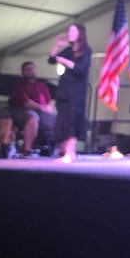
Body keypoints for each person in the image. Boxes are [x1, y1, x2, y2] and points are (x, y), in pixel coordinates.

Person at [48, 23, 92, 163]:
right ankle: (67, 152)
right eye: (69, 31)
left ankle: (70, 151)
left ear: (80, 33)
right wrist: (57, 46)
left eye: (73, 31)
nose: (69, 33)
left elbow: (80, 69)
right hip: (64, 89)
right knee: (64, 120)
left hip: (76, 91)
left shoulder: (86, 50)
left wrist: (65, 62)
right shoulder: (68, 50)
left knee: (73, 120)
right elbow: (51, 60)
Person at [8, 60, 56, 156]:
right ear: (23, 72)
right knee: (33, 117)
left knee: (58, 118)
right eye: (27, 69)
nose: (30, 71)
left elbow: (48, 100)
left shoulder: (41, 84)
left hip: (40, 111)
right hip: (22, 110)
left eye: (32, 69)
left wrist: (49, 108)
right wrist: (41, 108)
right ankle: (26, 149)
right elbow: (26, 102)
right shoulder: (20, 85)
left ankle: (58, 149)